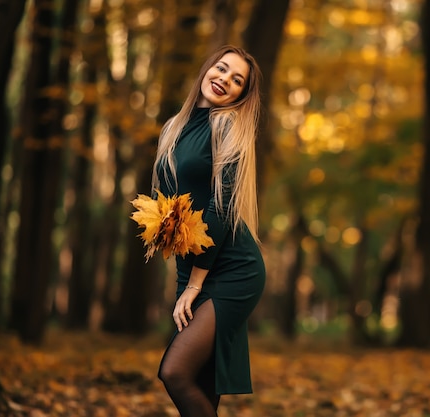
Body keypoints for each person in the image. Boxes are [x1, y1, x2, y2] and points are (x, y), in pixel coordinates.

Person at [152, 45, 265, 416]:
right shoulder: (173, 129)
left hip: (232, 267)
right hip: (194, 265)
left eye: (237, 81)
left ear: (240, 95)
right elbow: (171, 209)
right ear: (206, 69)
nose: (224, 81)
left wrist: (195, 285)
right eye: (221, 69)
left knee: (175, 371)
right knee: (201, 385)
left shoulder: (226, 126)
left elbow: (220, 209)